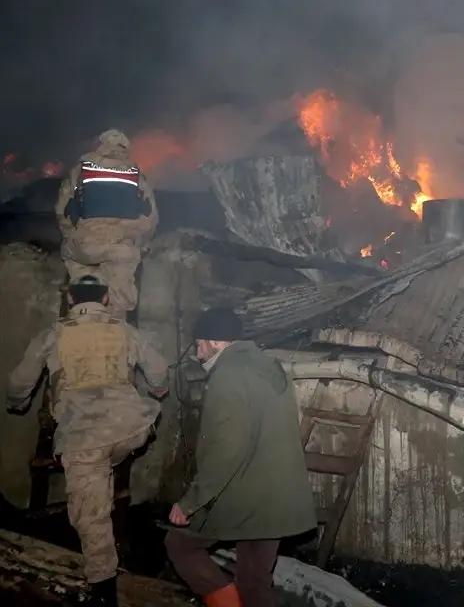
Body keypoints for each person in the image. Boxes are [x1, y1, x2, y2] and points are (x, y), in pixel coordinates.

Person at [4, 275, 168, 606]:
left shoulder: (55, 333)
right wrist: (158, 389)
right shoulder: (124, 329)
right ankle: (104, 501)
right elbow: (159, 369)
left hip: (86, 435)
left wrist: (17, 403)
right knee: (100, 473)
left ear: (70, 300)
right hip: (132, 427)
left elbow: (21, 380)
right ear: (106, 300)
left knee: (88, 515)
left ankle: (103, 590)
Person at [164, 308, 316, 607]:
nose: (197, 353)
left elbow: (225, 449)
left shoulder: (228, 375)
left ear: (216, 343)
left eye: (200, 345)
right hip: (277, 497)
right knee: (254, 582)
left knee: (180, 545)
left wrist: (191, 502)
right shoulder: (269, 366)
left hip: (247, 496)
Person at [56, 128, 159, 318]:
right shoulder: (136, 176)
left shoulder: (81, 171)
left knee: (81, 285)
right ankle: (114, 334)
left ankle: (80, 317)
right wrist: (138, 245)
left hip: (85, 247)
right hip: (121, 249)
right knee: (118, 302)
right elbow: (150, 219)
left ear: (101, 145)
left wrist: (73, 235)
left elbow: (62, 211)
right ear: (125, 148)